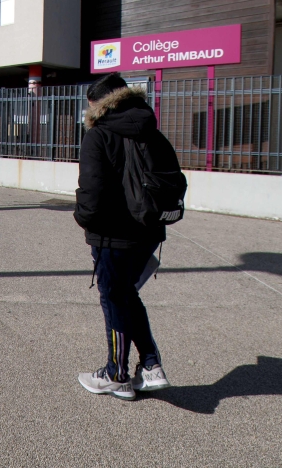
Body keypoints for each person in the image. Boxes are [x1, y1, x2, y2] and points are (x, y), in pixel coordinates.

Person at [74, 73, 174, 401]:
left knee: (114, 297)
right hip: (148, 230)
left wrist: (83, 219)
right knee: (127, 294)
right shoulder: (153, 132)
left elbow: (92, 192)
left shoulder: (98, 136)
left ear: (99, 105)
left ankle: (117, 374)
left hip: (112, 235)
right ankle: (150, 365)